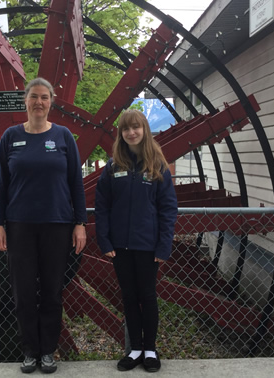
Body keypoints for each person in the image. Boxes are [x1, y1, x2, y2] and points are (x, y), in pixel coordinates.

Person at [0, 77, 87, 374]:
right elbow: (0, 186)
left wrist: (80, 223)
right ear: (26, 100)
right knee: (22, 293)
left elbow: (76, 183)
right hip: (20, 225)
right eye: (34, 97)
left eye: (44, 97)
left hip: (57, 225)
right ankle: (30, 352)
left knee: (51, 291)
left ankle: (48, 351)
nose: (39, 102)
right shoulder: (10, 137)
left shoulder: (63, 136)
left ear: (51, 102)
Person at [95, 109, 178, 373]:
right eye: (126, 129)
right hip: (120, 246)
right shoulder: (112, 167)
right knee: (129, 297)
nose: (131, 132)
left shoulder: (157, 166)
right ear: (121, 134)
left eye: (136, 127)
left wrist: (164, 245)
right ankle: (135, 350)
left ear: (144, 130)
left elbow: (168, 209)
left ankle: (150, 349)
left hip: (147, 246)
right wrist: (105, 242)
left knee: (148, 296)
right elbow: (102, 206)